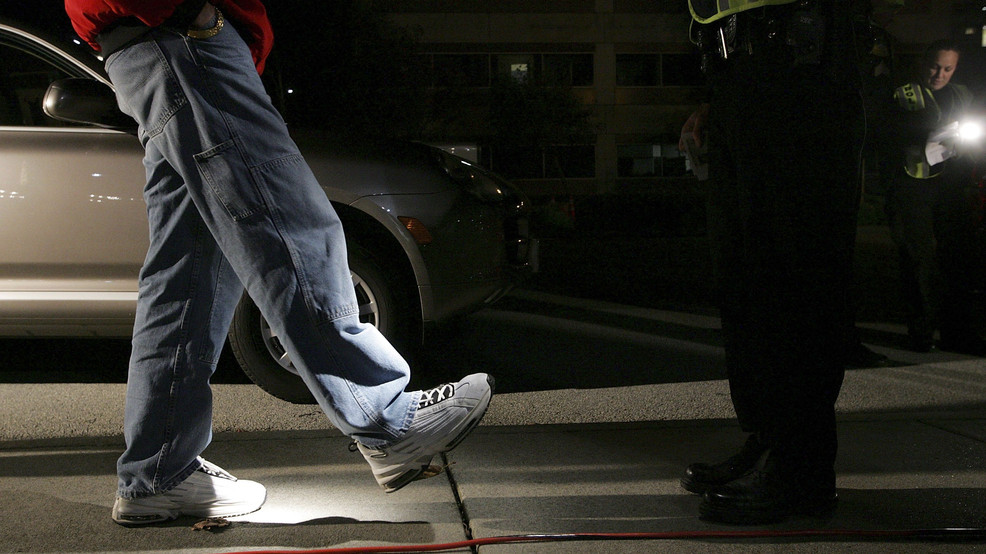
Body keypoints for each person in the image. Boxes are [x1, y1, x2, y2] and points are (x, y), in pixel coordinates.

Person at [63, 0, 493, 525]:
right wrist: (199, 17)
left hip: (147, 49)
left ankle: (158, 473)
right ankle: (387, 421)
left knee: (186, 276)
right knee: (293, 227)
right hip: (183, 41)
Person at [679, 0, 865, 524]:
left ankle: (802, 468)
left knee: (793, 274)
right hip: (743, 69)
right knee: (744, 278)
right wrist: (720, 93)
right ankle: (770, 441)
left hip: (802, 65)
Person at [885, 39, 985, 355]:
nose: (939, 74)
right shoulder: (902, 91)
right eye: (934, 66)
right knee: (919, 260)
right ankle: (922, 332)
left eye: (947, 68)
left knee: (958, 257)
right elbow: (885, 131)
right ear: (922, 62)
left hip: (950, 184)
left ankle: (958, 333)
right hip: (910, 184)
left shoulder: (961, 94)